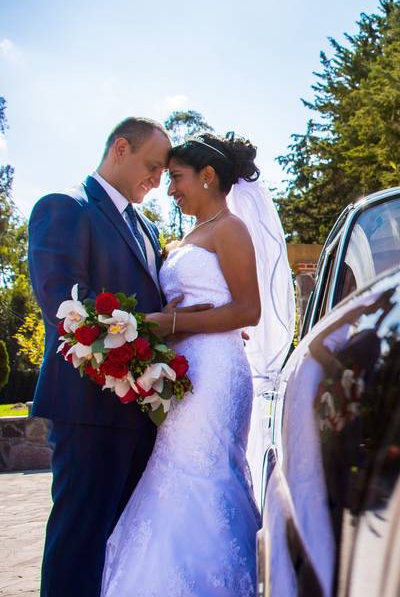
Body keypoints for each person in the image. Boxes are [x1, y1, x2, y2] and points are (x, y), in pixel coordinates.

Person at [27, 117, 210, 596]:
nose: (157, 179)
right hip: (87, 409)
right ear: (120, 149)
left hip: (142, 410)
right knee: (80, 540)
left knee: (124, 546)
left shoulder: (147, 230)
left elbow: (149, 306)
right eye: (152, 167)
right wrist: (160, 326)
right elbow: (67, 308)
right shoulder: (66, 208)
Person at [100, 132, 288, 596]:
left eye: (178, 178)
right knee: (172, 470)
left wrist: (170, 322)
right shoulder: (187, 236)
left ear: (208, 177)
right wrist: (169, 330)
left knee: (203, 473)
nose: (171, 190)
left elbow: (249, 311)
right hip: (184, 370)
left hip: (217, 374)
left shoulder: (231, 229)